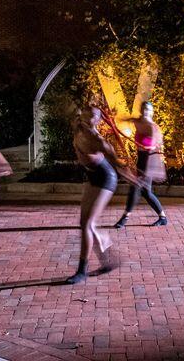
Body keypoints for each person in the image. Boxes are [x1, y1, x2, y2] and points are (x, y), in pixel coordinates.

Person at [67, 106, 133, 285]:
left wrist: (133, 178)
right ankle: (108, 260)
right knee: (86, 224)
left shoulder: (98, 141)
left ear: (98, 120)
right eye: (88, 112)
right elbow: (75, 115)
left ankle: (82, 271)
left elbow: (116, 163)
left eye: (94, 115)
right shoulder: (79, 128)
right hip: (92, 175)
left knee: (87, 224)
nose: (89, 115)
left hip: (105, 178)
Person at [113, 101, 168, 228]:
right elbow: (122, 119)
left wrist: (152, 146)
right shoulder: (137, 121)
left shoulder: (153, 127)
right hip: (140, 161)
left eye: (148, 110)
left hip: (150, 162)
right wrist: (113, 118)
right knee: (146, 192)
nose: (145, 112)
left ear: (152, 112)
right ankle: (162, 217)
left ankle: (124, 218)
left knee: (135, 187)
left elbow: (158, 146)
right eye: (143, 109)